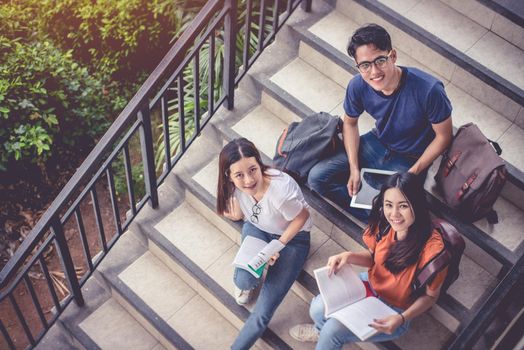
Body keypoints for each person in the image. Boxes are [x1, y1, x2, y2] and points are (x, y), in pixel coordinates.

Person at [307, 23, 453, 221]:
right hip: (377, 142)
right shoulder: (358, 85)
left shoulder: (428, 89)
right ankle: (374, 219)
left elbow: (444, 136)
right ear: (358, 66)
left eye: (380, 61)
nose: (374, 71)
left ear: (392, 56)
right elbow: (349, 123)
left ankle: (381, 217)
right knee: (316, 178)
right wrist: (354, 168)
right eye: (365, 65)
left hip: (410, 157)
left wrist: (411, 174)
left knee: (399, 207)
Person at [289, 172, 448, 349]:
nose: (394, 214)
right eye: (389, 205)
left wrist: (402, 318)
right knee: (317, 309)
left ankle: (326, 335)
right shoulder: (385, 224)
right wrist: (348, 256)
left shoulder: (433, 251)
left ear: (417, 206)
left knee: (332, 332)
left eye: (403, 206)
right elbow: (375, 258)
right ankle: (320, 329)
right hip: (370, 285)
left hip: (395, 309)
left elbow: (430, 296)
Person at [216, 137, 312, 350]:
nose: (249, 180)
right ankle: (250, 277)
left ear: (259, 164)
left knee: (262, 313)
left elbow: (302, 216)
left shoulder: (280, 191)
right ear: (229, 176)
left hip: (292, 239)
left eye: (252, 170)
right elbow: (243, 211)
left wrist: (277, 246)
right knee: (244, 281)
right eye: (239, 175)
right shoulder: (235, 187)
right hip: (259, 227)